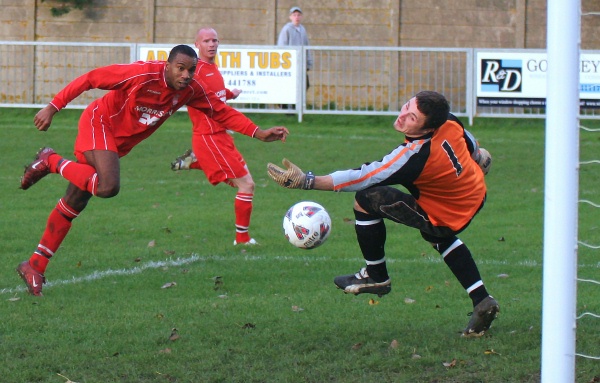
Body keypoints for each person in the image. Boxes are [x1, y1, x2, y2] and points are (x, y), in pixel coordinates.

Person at [16, 44, 289, 296]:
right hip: (100, 124)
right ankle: (50, 160)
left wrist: (260, 133)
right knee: (108, 186)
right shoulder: (142, 73)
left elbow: (221, 111)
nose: (185, 74)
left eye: (190, 70)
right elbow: (91, 78)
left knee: (75, 201)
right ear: (168, 65)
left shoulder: (191, 89)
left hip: (118, 142)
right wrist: (53, 107)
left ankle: (35, 265)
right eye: (180, 68)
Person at [267, 91, 499, 337]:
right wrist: (477, 158)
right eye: (407, 107)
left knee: (367, 200)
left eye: (412, 118)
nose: (402, 117)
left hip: (449, 211)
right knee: (438, 237)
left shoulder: (413, 156)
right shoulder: (449, 121)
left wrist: (307, 181)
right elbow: (470, 142)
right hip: (475, 193)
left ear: (428, 128)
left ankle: (376, 275)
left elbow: (363, 176)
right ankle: (482, 300)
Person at [170, 27, 259, 245]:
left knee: (245, 181)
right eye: (207, 40)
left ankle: (199, 162)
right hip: (209, 137)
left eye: (215, 40)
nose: (212, 44)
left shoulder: (211, 68)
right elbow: (189, 94)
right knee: (246, 184)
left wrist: (230, 94)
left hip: (221, 136)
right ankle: (242, 239)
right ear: (197, 45)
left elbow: (213, 96)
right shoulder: (195, 71)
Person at [277, 6, 312, 111]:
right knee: (289, 87)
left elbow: (307, 46)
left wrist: (309, 63)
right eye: (294, 15)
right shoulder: (287, 29)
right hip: (290, 65)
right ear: (290, 17)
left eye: (298, 15)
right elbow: (281, 46)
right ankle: (287, 107)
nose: (296, 17)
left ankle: (292, 106)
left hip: (301, 65)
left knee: (305, 84)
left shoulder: (302, 30)